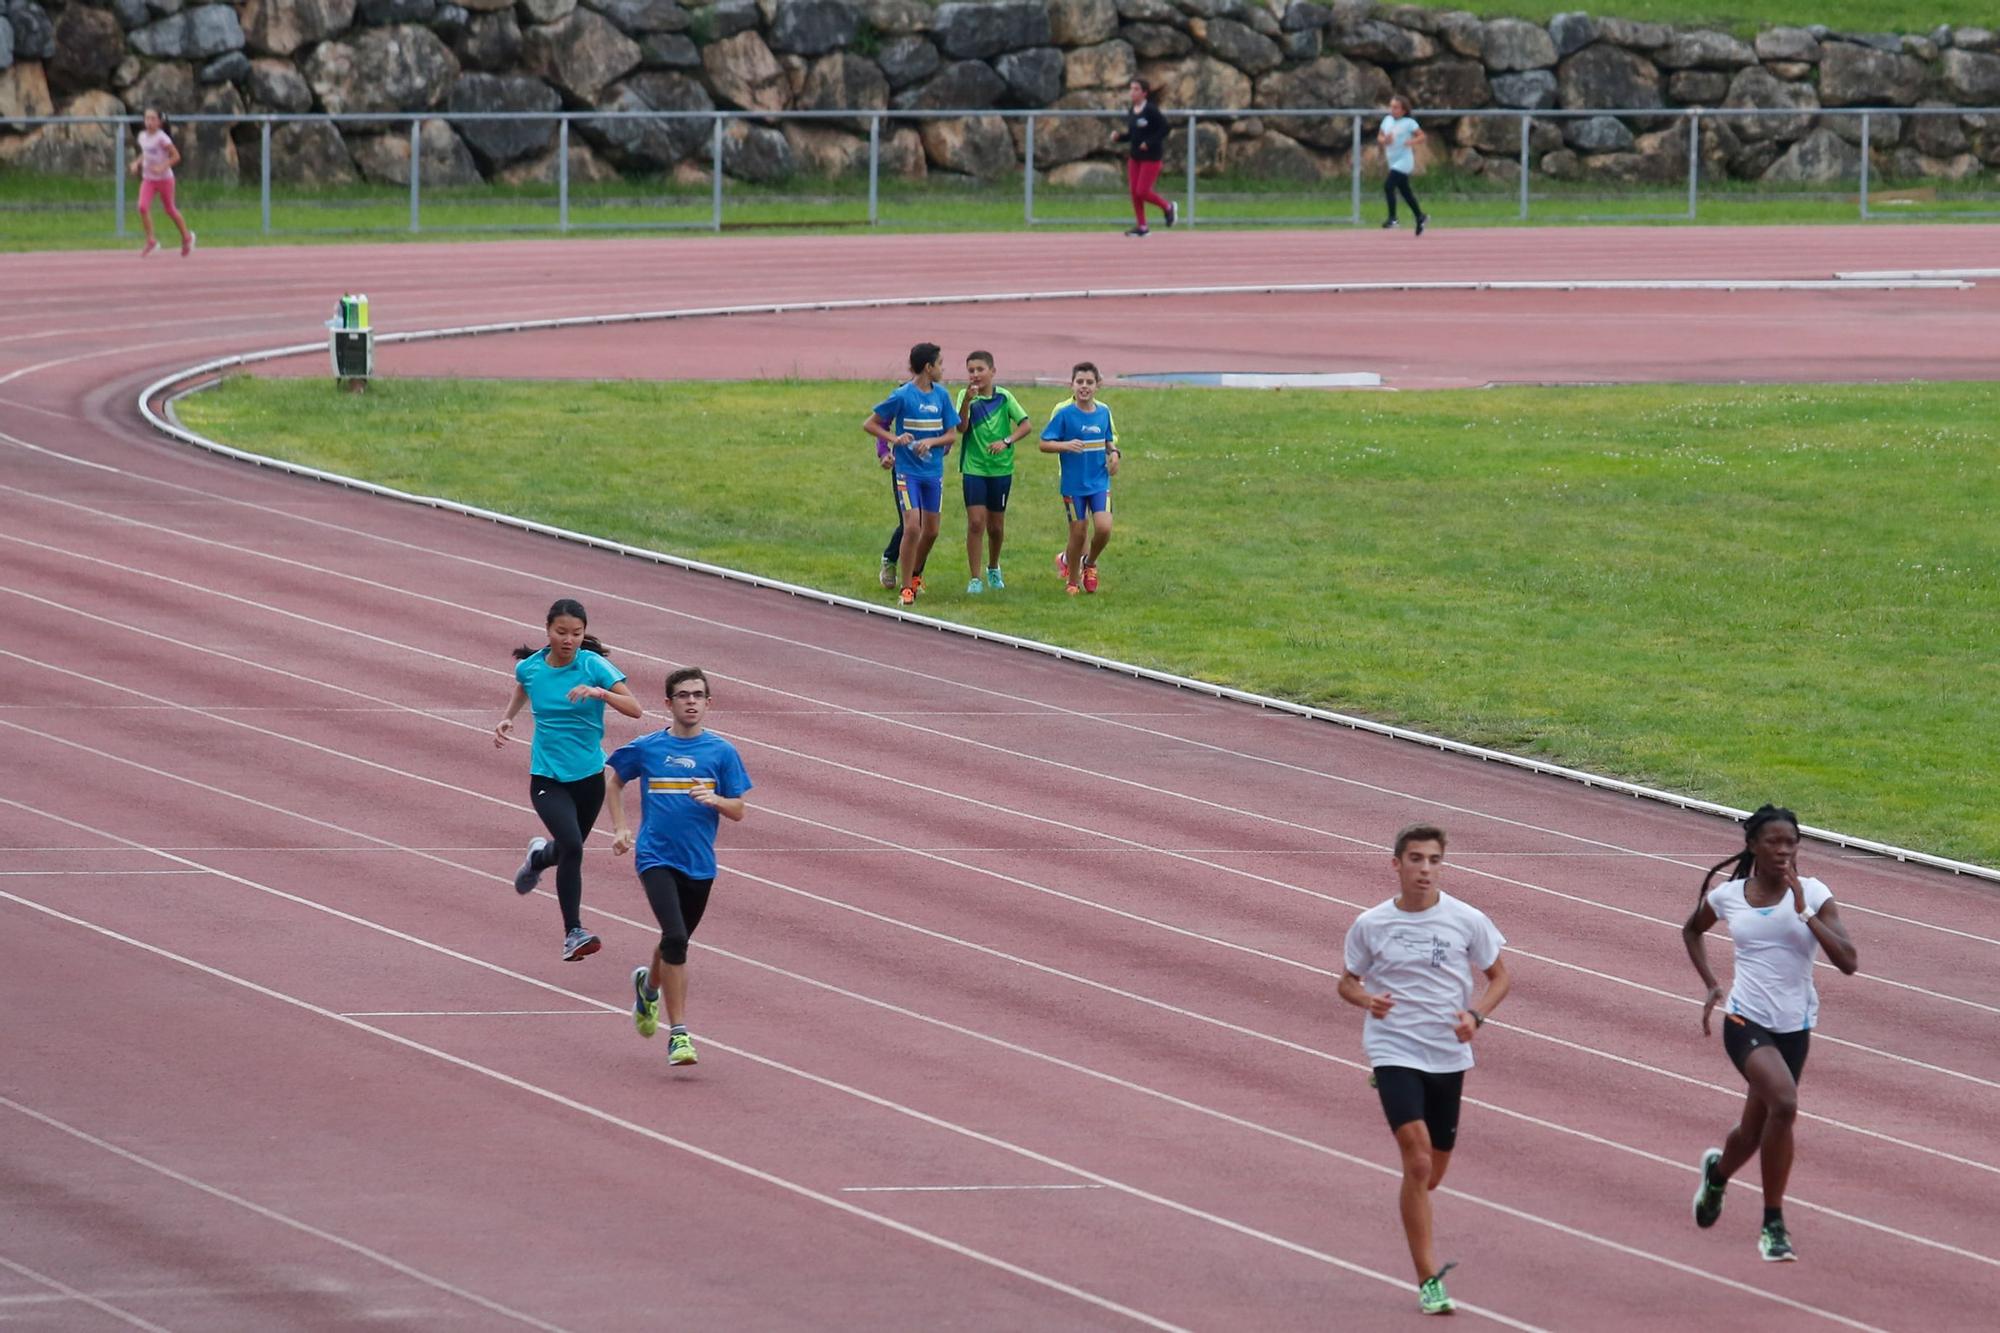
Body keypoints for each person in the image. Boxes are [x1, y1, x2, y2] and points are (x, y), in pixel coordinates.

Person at [1338, 823, 1510, 1316]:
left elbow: (1500, 977)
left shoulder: (1467, 920)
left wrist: (1475, 1015)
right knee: (1414, 1161)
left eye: (1434, 860)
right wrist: (1368, 999)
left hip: (1447, 1054)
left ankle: (1414, 1207)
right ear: (1396, 865)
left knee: (1431, 1175)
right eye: (1415, 859)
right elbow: (1345, 983)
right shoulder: (1371, 924)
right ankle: (1428, 1280)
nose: (1425, 870)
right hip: (1393, 1047)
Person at [1683, 804, 1858, 1263]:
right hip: (1745, 1021)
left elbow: (1849, 963)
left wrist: (1805, 914)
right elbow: (1692, 930)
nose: (1783, 850)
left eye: (1791, 843)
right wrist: (1711, 984)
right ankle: (1773, 1225)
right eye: (1774, 842)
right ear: (1753, 846)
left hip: (1795, 1028)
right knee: (1785, 1103)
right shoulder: (1729, 896)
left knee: (1753, 1130)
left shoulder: (1816, 894)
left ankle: (1717, 1176)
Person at [607, 667, 752, 1068]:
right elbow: (615, 781)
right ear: (668, 703)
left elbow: (739, 809)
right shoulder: (649, 748)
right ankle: (680, 1034)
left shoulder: (722, 753)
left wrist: (716, 800)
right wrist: (620, 828)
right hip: (655, 857)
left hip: (700, 866)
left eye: (698, 695)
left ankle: (647, 986)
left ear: (709, 703)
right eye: (683, 695)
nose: (691, 701)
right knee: (675, 937)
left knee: (675, 941)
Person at [494, 598, 642, 961]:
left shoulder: (594, 666)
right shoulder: (530, 668)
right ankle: (573, 932)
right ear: (548, 631)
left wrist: (600, 692)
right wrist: (508, 717)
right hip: (547, 778)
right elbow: (523, 687)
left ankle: (538, 859)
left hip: (589, 778)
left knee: (565, 849)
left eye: (577, 633)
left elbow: (636, 710)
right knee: (574, 846)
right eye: (562, 632)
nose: (569, 640)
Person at [864, 342, 961, 607]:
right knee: (912, 527)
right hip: (907, 473)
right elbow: (871, 424)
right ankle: (906, 587)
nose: (943, 368)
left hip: (933, 473)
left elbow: (952, 434)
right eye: (940, 363)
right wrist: (894, 440)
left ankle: (917, 573)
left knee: (931, 531)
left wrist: (932, 442)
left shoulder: (941, 396)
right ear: (928, 368)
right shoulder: (902, 395)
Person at [955, 350, 1034, 595]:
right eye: (971, 371)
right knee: (976, 523)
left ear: (992, 372)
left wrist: (1006, 441)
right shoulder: (964, 396)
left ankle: (993, 567)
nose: (975, 375)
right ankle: (975, 577)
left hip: (1000, 469)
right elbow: (961, 428)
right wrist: (967, 402)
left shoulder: (1004, 397)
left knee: (996, 527)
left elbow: (1026, 425)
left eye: (980, 369)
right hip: (974, 468)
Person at [1039, 361, 1119, 596]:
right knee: (1079, 532)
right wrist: (1064, 445)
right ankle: (1073, 580)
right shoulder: (1064, 415)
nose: (1084, 387)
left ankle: (1090, 563)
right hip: (1073, 485)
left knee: (1104, 528)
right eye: (1080, 382)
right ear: (1071, 385)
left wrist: (1114, 453)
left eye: (1089, 382)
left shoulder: (1104, 412)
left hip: (1099, 482)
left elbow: (1107, 439)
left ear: (1098, 385)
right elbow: (1044, 443)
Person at [1110, 80, 1175, 237]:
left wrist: (1150, 142)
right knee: (1134, 192)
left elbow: (1165, 128)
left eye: (1136, 89)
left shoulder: (1151, 110)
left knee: (1142, 191)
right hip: (1135, 157)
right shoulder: (1132, 110)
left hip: (1151, 157)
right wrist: (1119, 137)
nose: (1132, 92)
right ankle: (1142, 227)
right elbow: (1133, 135)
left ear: (1144, 93)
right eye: (1131, 89)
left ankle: (1167, 207)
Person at [131, 108, 195, 258]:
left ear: (159, 122)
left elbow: (176, 156)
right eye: (147, 119)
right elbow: (146, 153)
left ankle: (187, 237)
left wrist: (162, 167)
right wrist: (137, 163)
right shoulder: (142, 136)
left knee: (170, 209)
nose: (149, 122)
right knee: (142, 206)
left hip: (165, 179)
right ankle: (151, 241)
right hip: (149, 179)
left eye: (153, 119)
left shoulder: (162, 138)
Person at [1377, 96, 1428, 236]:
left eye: (1396, 107)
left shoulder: (1409, 122)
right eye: (1391, 107)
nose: (1392, 110)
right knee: (1405, 192)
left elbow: (1422, 136)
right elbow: (1380, 136)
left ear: (1404, 110)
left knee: (1388, 185)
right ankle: (1420, 216)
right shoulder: (1387, 120)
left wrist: (1411, 142)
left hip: (1404, 161)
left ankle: (1393, 218)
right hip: (1392, 160)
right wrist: (1384, 140)